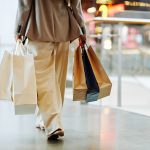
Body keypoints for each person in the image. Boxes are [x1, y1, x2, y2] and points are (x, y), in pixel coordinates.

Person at [15, 0, 86, 140]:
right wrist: (82, 29)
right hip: (63, 27)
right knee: (57, 78)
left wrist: (19, 29)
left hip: (39, 26)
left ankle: (49, 121)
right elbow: (75, 4)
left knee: (43, 79)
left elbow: (25, 4)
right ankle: (52, 122)